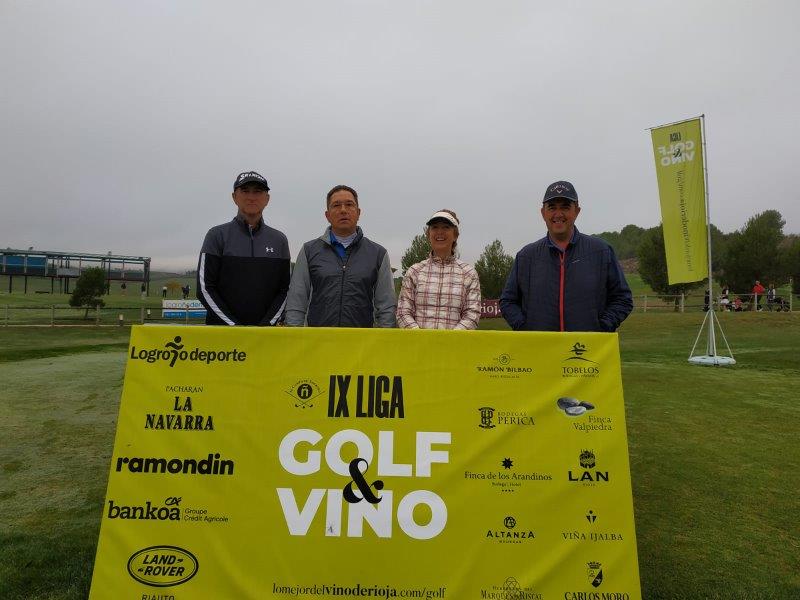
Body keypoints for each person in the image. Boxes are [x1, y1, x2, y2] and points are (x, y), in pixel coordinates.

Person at [500, 180, 633, 332]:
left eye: (565, 207)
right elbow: (507, 301)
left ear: (577, 211)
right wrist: (525, 328)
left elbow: (623, 299)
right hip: (540, 350)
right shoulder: (526, 256)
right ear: (543, 213)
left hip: (586, 351)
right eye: (552, 207)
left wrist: (602, 326)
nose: (558, 214)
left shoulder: (601, 251)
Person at [285, 185, 396, 327]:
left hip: (361, 344)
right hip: (317, 342)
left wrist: (382, 340)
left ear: (358, 212)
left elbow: (386, 306)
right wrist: (296, 337)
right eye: (336, 205)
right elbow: (296, 301)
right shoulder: (309, 251)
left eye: (349, 204)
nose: (343, 210)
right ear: (327, 215)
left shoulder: (378, 254)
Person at [197, 170, 290, 326]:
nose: (251, 197)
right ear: (234, 197)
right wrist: (234, 327)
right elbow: (205, 288)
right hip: (223, 337)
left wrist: (267, 325)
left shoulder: (279, 239)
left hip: (265, 337)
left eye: (258, 191)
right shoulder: (216, 235)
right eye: (245, 191)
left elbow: (285, 290)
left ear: (267, 199)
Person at [396, 210, 481, 329]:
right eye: (435, 227)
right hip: (419, 345)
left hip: (454, 345)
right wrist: (422, 340)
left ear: (455, 235)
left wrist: (448, 341)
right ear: (428, 234)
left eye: (446, 227)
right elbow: (403, 312)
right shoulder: (414, 271)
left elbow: (472, 314)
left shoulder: (468, 273)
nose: (440, 232)